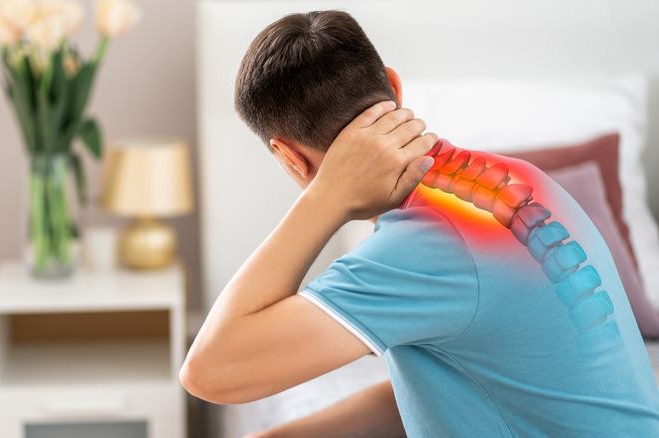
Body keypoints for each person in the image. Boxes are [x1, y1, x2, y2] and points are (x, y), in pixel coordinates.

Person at [179, 10, 659, 437]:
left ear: (288, 157)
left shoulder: (425, 244)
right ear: (394, 85)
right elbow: (467, 380)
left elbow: (209, 372)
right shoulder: (521, 181)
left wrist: (325, 198)